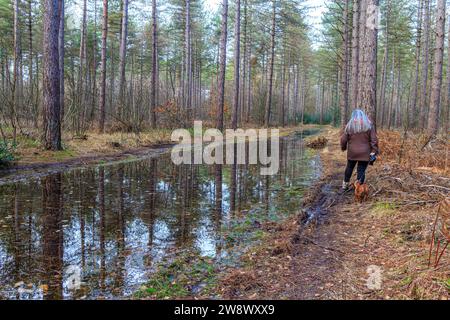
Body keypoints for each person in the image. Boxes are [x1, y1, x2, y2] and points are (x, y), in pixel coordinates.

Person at [340, 109, 379, 191]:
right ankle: (359, 189)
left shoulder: (349, 125)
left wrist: (343, 148)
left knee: (349, 168)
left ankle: (344, 186)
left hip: (352, 153)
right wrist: (373, 152)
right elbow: (374, 140)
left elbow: (343, 139)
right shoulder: (369, 125)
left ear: (353, 116)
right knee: (361, 170)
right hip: (365, 153)